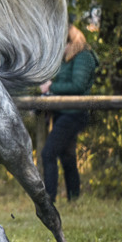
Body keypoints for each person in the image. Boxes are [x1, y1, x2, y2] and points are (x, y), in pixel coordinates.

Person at [39, 24, 99, 202]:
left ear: (69, 42)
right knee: (67, 157)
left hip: (73, 113)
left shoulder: (83, 57)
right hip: (63, 112)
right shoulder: (68, 59)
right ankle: (74, 198)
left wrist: (51, 87)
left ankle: (49, 199)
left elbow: (78, 86)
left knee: (48, 153)